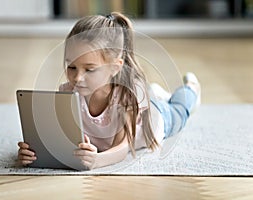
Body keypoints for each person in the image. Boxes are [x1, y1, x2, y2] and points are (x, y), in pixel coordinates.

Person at [17, 12, 201, 170]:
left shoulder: (126, 97)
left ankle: (191, 89)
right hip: (141, 101)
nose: (77, 78)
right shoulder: (68, 92)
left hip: (156, 119)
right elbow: (60, 139)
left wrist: (97, 161)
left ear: (115, 67)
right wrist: (33, 152)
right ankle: (154, 92)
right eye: (71, 67)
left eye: (89, 69)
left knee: (179, 109)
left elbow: (121, 148)